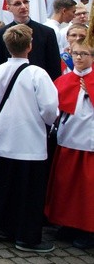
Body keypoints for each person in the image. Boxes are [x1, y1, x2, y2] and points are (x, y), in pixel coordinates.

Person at [0, 24, 58, 253]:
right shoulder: (37, 73)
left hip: (4, 138)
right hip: (29, 140)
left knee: (7, 185)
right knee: (28, 191)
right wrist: (48, 122)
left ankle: (4, 225)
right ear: (30, 46)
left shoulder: (0, 70)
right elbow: (50, 108)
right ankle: (26, 236)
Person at [45, 38, 94, 250]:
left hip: (89, 143)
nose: (80, 57)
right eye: (76, 54)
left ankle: (88, 229)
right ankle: (67, 223)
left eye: (85, 54)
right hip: (67, 140)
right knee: (65, 186)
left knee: (86, 190)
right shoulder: (64, 80)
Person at [0, 0, 62, 89]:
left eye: (25, 2)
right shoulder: (0, 35)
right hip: (11, 88)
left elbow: (54, 68)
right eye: (17, 4)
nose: (23, 6)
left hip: (40, 88)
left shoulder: (47, 33)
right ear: (8, 8)